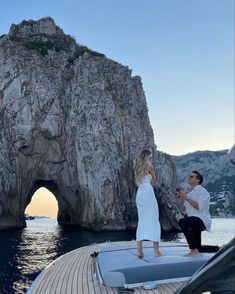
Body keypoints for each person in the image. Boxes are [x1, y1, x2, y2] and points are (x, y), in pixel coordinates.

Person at [176, 170, 220, 256]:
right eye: (189, 176)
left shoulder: (203, 192)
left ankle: (193, 250)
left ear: (198, 180)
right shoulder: (189, 194)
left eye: (192, 176)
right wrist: (180, 201)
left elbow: (199, 207)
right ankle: (219, 248)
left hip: (201, 220)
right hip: (193, 221)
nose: (189, 177)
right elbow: (183, 210)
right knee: (199, 248)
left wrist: (186, 198)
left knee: (182, 221)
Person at [133, 149, 162, 258]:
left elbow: (137, 181)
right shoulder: (149, 166)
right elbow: (154, 181)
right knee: (154, 219)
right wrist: (153, 172)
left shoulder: (136, 167)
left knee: (142, 220)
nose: (151, 159)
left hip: (140, 194)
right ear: (147, 157)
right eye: (150, 157)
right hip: (148, 193)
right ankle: (156, 251)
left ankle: (139, 251)